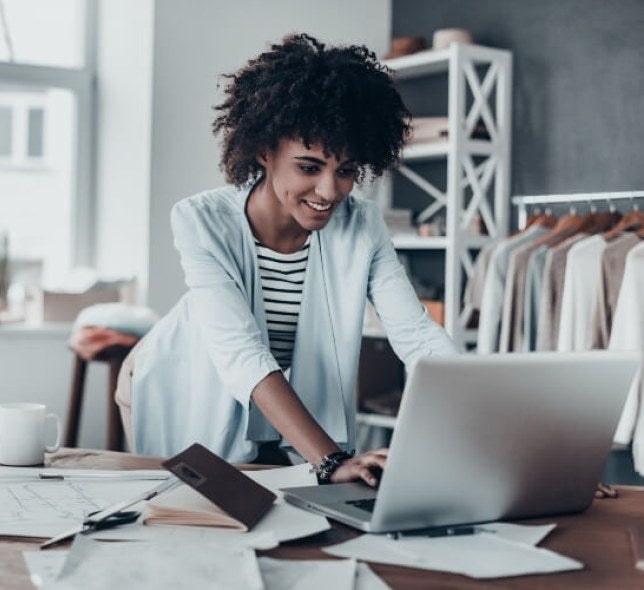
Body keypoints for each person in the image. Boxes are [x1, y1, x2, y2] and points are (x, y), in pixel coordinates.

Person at [115, 33, 458, 486]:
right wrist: (330, 460)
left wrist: (484, 430)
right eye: (309, 167)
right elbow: (242, 352)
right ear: (264, 150)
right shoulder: (201, 220)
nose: (330, 191)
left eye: (347, 171)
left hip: (271, 389)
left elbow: (416, 335)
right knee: (195, 516)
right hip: (178, 377)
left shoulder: (362, 225)